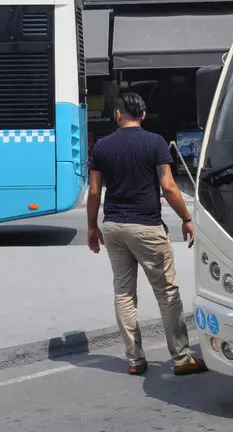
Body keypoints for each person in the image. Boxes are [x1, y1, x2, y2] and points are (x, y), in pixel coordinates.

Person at [87, 92, 207, 377]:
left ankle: (134, 359)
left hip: (114, 226)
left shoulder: (102, 146)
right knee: (166, 292)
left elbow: (93, 191)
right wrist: (187, 218)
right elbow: (168, 186)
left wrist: (92, 226)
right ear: (142, 115)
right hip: (146, 227)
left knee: (124, 293)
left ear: (117, 115)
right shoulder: (154, 142)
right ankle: (181, 357)